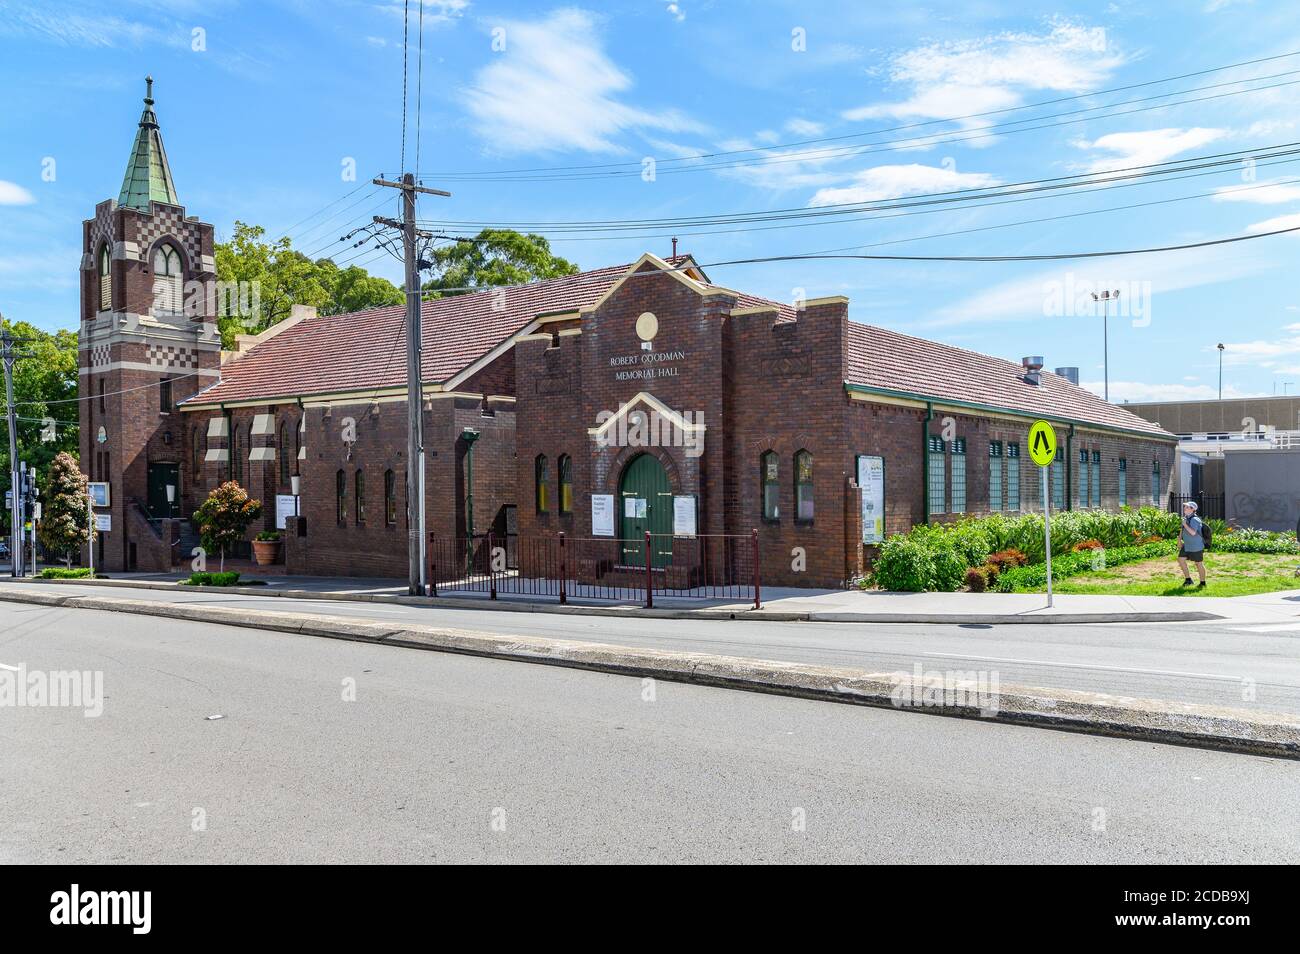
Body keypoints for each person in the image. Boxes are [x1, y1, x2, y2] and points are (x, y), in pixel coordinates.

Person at [1177, 500, 1207, 588]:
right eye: (1184, 506)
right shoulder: (1186, 518)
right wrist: (1179, 540)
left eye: (1187, 507)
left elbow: (1193, 533)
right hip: (1187, 545)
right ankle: (1188, 580)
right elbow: (1182, 530)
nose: (1184, 508)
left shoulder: (1195, 519)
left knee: (1198, 564)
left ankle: (1202, 583)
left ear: (1192, 509)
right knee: (1181, 559)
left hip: (1196, 546)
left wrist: (1185, 524)